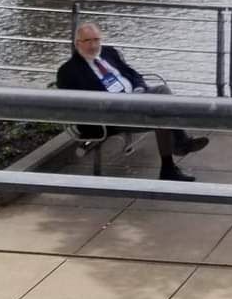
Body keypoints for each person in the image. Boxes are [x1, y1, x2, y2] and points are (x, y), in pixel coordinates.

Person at [57, 22, 208, 181]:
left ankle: (178, 149)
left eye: (96, 39)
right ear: (77, 43)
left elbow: (133, 74)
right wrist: (113, 104)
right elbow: (74, 105)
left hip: (136, 99)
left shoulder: (109, 53)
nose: (93, 45)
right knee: (161, 114)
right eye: (88, 41)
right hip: (109, 116)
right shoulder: (69, 71)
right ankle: (173, 159)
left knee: (162, 91)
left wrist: (139, 89)